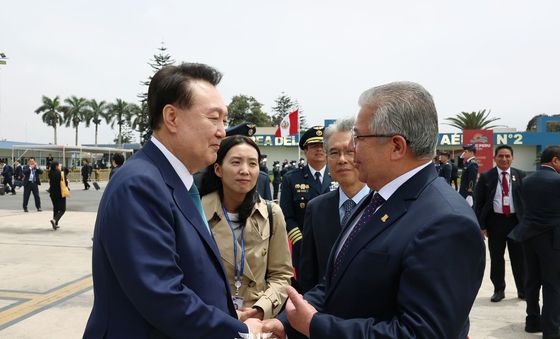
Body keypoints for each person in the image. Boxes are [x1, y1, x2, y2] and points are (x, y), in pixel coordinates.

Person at [263, 81, 485, 339]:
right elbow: (335, 285)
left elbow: (421, 333)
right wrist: (286, 322)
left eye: (359, 138)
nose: (351, 148)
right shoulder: (380, 198)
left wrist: (316, 326)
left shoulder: (447, 222)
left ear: (396, 146)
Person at [83, 63, 262, 338]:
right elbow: (163, 295)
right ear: (172, 118)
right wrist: (239, 331)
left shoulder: (177, 182)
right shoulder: (140, 185)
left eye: (224, 121)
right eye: (214, 118)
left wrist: (226, 313)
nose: (222, 132)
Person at [199, 135, 293, 321]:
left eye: (252, 164)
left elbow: (281, 275)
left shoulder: (272, 213)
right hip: (211, 317)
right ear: (218, 169)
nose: (245, 171)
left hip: (257, 319)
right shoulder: (197, 212)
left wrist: (261, 308)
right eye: (236, 162)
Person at [298, 117, 369, 293]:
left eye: (349, 152)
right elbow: (308, 274)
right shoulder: (316, 208)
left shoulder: (384, 204)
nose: (342, 160)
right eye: (334, 153)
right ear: (327, 159)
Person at [511, 145, 560, 337]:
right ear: (554, 160)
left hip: (528, 236)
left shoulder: (525, 181)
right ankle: (551, 329)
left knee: (531, 281)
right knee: (553, 284)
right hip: (553, 240)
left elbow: (521, 208)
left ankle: (532, 321)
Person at [280, 126, 332, 284]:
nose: (319, 149)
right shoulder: (291, 178)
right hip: (304, 247)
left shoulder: (338, 174)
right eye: (314, 146)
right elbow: (287, 215)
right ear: (305, 151)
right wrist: (301, 241)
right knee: (305, 289)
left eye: (323, 145)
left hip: (334, 245)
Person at [474, 145, 526, 302]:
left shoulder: (521, 175)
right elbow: (479, 203)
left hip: (516, 221)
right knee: (497, 257)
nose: (504, 159)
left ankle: (522, 290)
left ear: (512, 158)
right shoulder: (486, 177)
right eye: (501, 156)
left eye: (507, 156)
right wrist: (481, 225)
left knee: (519, 258)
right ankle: (499, 289)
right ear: (494, 158)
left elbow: (526, 201)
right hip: (495, 222)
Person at [48, 161, 69, 230]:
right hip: (60, 193)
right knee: (63, 209)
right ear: (56, 166)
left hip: (52, 194)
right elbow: (65, 183)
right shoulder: (61, 173)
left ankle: (55, 224)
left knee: (56, 208)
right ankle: (54, 220)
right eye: (59, 165)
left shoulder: (50, 173)